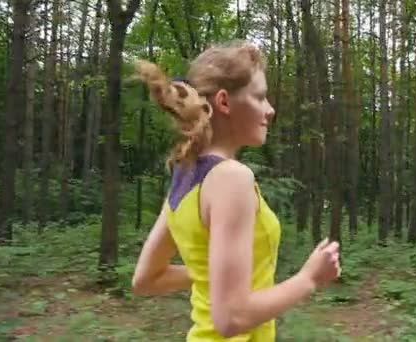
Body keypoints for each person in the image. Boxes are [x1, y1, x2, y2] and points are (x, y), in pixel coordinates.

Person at [131, 40, 341, 341]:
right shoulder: (232, 178)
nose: (270, 110)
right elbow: (231, 317)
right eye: (260, 97)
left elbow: (147, 279)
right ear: (224, 102)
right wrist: (309, 278)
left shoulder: (188, 174)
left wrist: (214, 273)